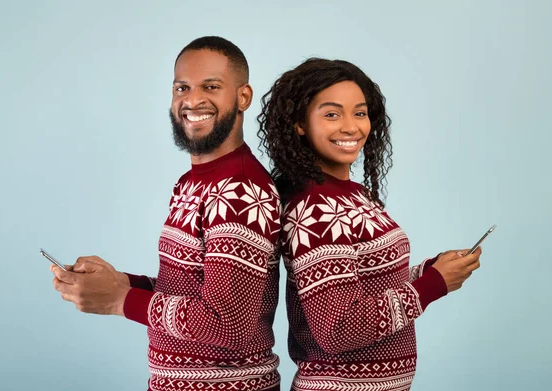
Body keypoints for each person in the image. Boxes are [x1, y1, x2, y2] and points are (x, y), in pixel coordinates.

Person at [51, 36, 282, 391]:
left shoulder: (239, 189)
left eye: (211, 86)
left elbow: (227, 324)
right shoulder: (191, 183)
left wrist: (119, 300)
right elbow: (190, 291)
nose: (192, 99)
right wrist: (121, 283)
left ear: (243, 97)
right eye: (182, 87)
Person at [257, 58, 482, 391]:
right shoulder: (317, 208)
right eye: (332, 114)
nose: (351, 127)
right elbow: (337, 328)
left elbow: (367, 286)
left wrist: (432, 270)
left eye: (359, 113)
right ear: (299, 124)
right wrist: (432, 285)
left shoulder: (352, 195)